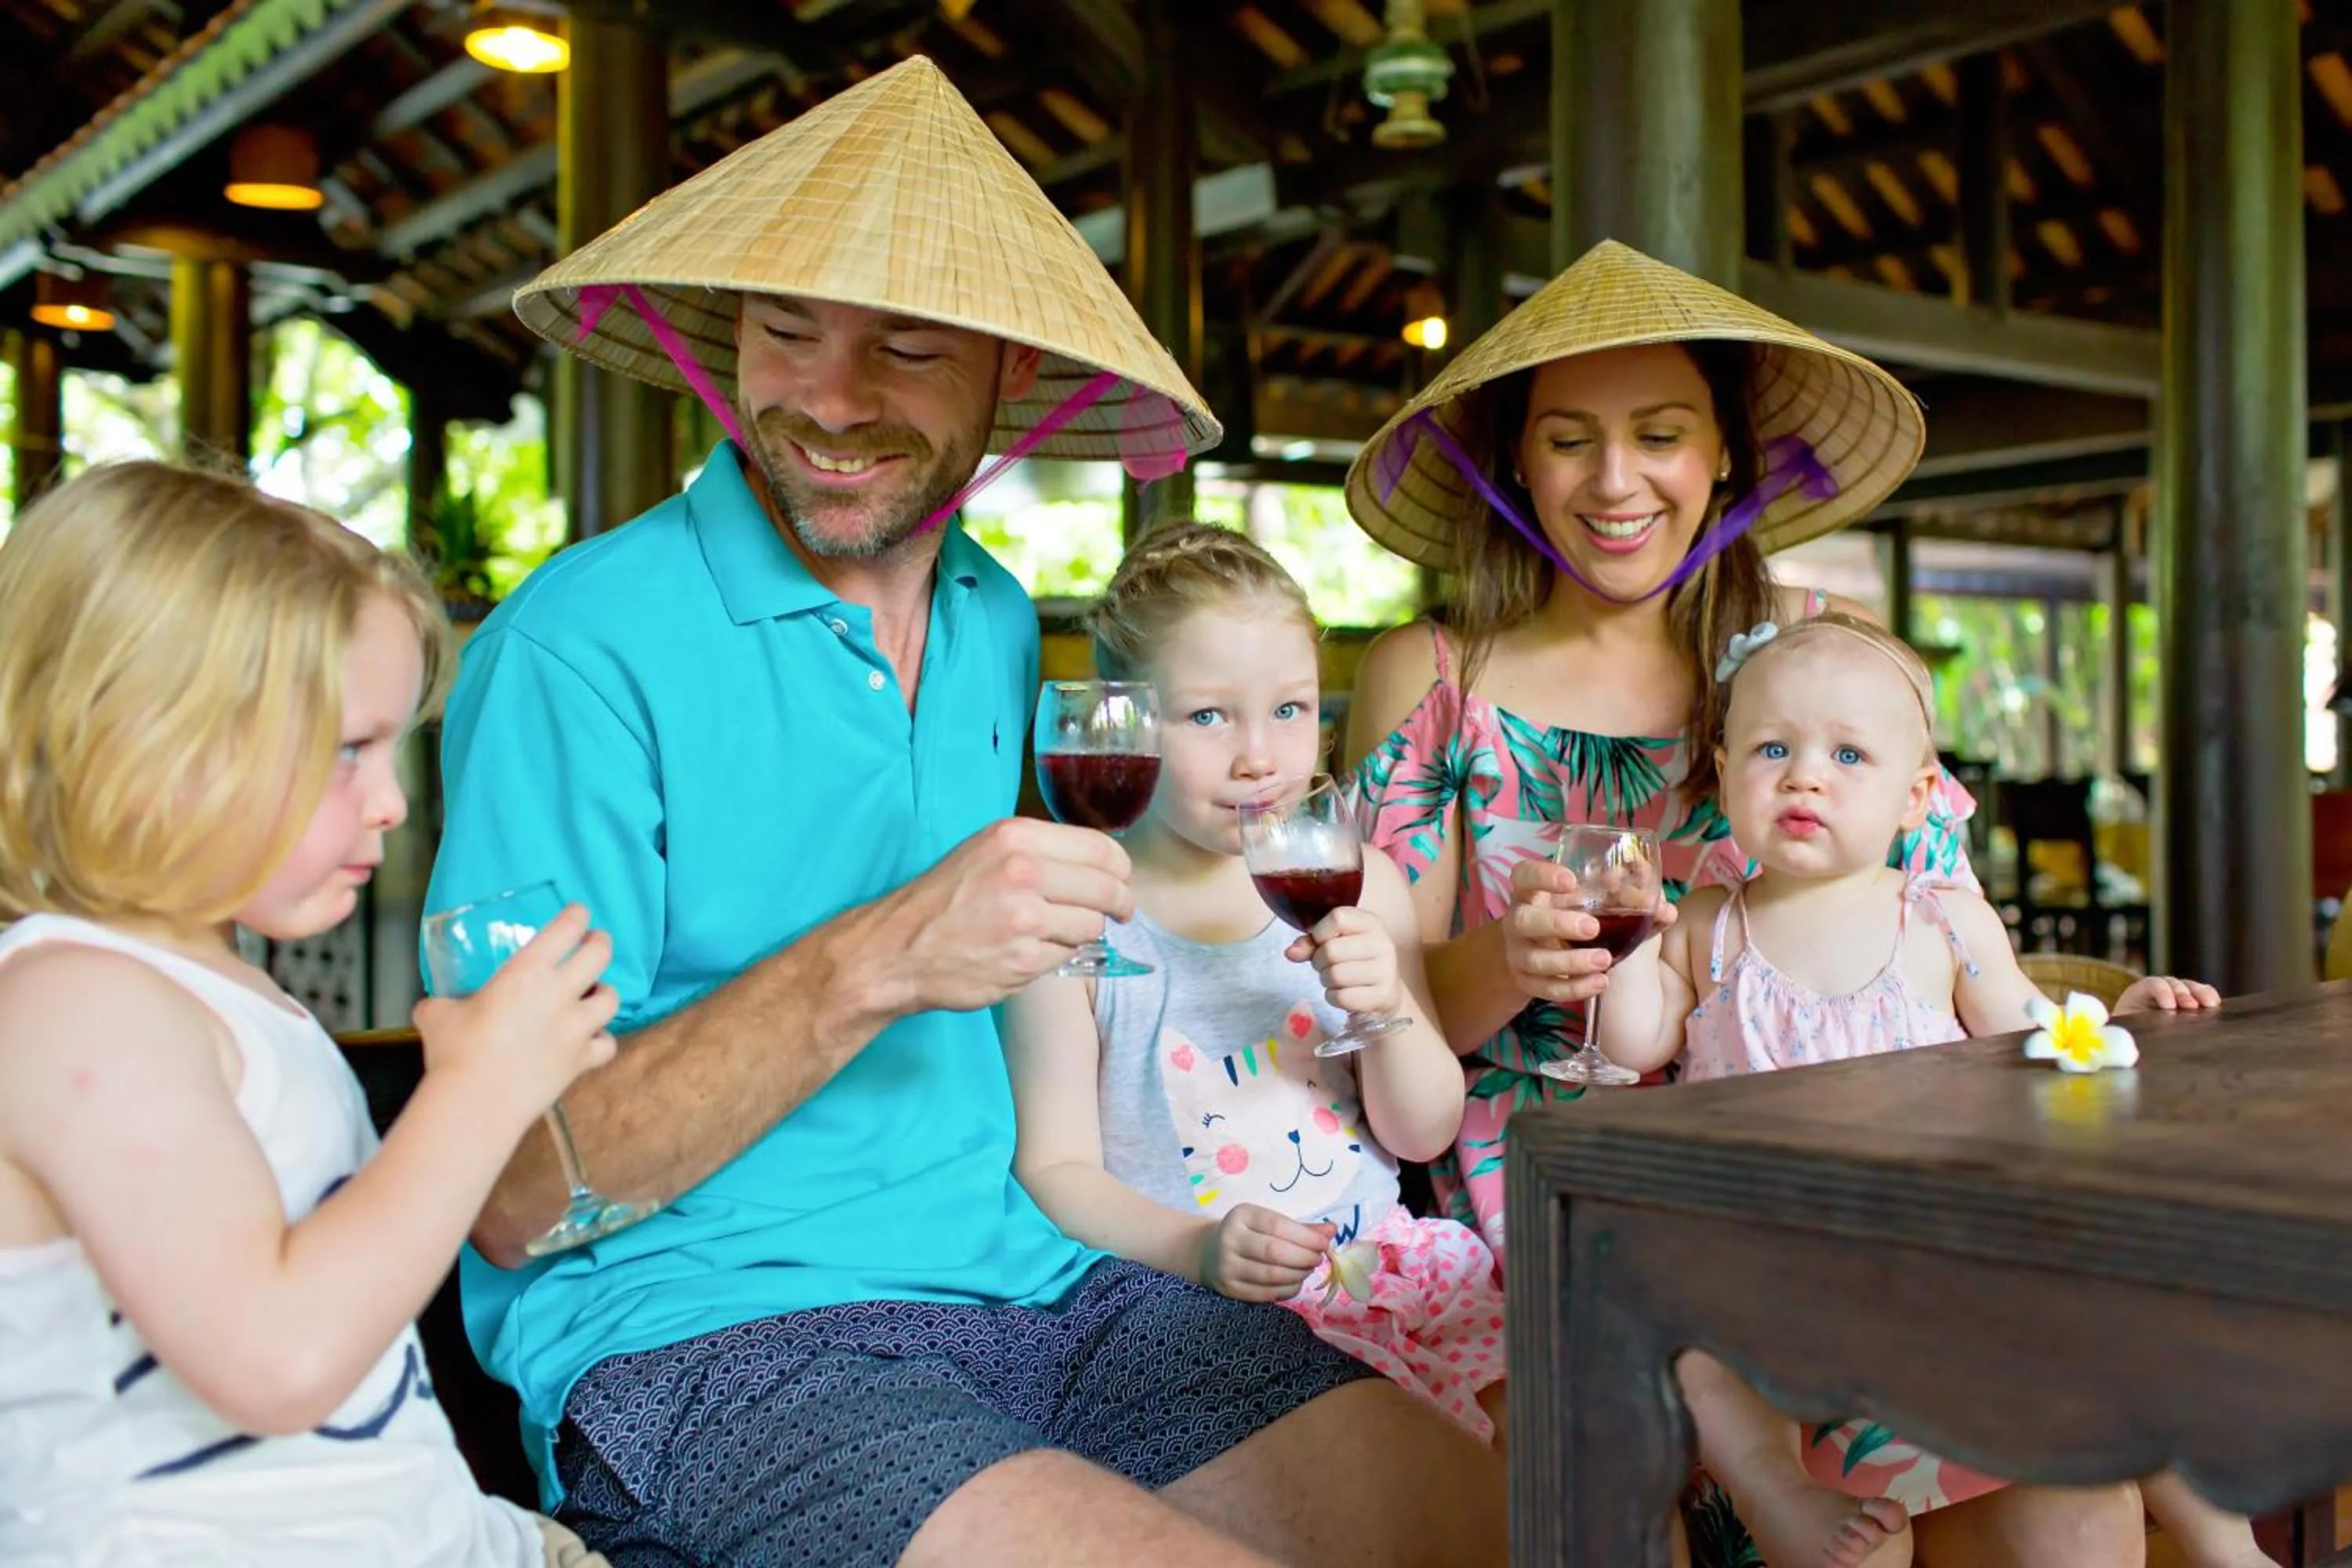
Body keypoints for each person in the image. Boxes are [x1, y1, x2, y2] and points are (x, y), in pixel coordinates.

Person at [429, 56, 1505, 1568]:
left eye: (909, 346)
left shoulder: (1000, 619)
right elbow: (510, 1190)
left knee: (1520, 1524)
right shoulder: (575, 648)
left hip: (1042, 1281)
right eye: (783, 331)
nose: (830, 399)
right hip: (712, 1330)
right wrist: (884, 952)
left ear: (1010, 377)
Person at [1341, 240, 2143, 1563]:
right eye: (1567, 441)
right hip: (1549, 1191)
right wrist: (1518, 959)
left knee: (2077, 1507)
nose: (1615, 482)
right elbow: (1387, 1018)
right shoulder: (1431, 678)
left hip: (1835, 1178)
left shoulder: (1813, 659)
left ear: (1722, 454)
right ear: (1512, 461)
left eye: (1660, 434)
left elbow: (1942, 939)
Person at [0, 461, 619, 1566]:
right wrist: (478, 1095)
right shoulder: (73, 1008)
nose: (390, 800)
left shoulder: (218, 989)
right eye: (347, 750)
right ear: (143, 741)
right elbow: (276, 1357)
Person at [1589, 611, 2256, 1568]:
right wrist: (1625, 939)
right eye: (1771, 746)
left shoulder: (1940, 919)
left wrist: (2119, 1018)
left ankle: (2226, 1541)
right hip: (1766, 1249)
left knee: (2112, 1327)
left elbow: (2030, 1026)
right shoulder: (1707, 925)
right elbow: (1632, 1036)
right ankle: (1783, 1493)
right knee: (1691, 1337)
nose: (1804, 774)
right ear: (1725, 767)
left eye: (1848, 754)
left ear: (1915, 800)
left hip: (1928, 1238)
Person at [1003, 522, 1508, 1445]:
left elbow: (1423, 1128)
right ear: (1121, 716)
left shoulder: (1364, 883)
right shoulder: (1076, 918)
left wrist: (1389, 1010)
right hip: (1184, 1297)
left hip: (1379, 1275)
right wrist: (1193, 1247)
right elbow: (1052, 1166)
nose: (1258, 756)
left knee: (1551, 1460)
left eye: (1289, 709)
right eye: (1207, 715)